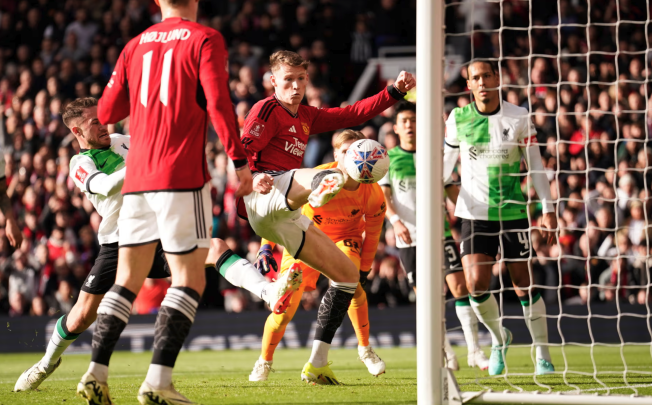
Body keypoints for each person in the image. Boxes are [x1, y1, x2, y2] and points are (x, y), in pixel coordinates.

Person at [13, 98, 300, 395]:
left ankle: (269, 291)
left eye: (102, 119)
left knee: (214, 247)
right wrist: (147, 162)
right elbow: (106, 186)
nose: (103, 126)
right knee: (82, 315)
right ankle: (46, 363)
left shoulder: (123, 141)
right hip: (120, 241)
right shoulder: (80, 163)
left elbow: (166, 149)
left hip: (161, 232)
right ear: (77, 131)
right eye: (93, 123)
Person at [78, 0, 262, 402]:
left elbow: (108, 110)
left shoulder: (135, 44)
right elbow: (217, 103)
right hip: (180, 175)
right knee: (190, 277)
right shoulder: (205, 38)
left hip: (137, 178)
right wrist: (238, 161)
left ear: (156, 2)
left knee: (126, 279)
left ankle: (95, 373)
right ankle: (158, 382)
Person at [238, 50, 415, 385]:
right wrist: (254, 175)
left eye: (300, 79)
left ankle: (322, 361)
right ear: (273, 81)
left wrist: (393, 92)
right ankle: (323, 187)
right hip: (262, 191)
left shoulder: (306, 116)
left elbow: (351, 113)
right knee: (320, 175)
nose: (295, 86)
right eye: (287, 80)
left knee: (348, 278)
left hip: (286, 211)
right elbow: (245, 146)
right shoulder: (266, 109)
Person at [443, 60, 558, 376]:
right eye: (475, 78)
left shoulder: (518, 116)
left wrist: (548, 209)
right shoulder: (458, 118)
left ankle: (542, 354)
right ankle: (499, 339)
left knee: (522, 283)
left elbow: (534, 166)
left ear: (498, 78)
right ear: (468, 85)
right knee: (476, 284)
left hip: (512, 211)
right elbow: (444, 167)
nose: (481, 82)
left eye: (487, 75)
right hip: (473, 212)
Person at [249, 130, 386, 384]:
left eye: (357, 151)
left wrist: (364, 271)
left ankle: (364, 350)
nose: (352, 158)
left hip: (346, 240)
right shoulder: (315, 177)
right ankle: (264, 361)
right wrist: (266, 246)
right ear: (336, 155)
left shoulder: (373, 192)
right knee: (284, 308)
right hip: (306, 238)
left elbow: (373, 234)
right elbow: (278, 210)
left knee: (353, 284)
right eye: (345, 152)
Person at [379, 101, 488, 372]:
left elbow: (452, 191)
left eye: (413, 120)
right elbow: (384, 196)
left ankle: (474, 350)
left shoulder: (435, 156)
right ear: (396, 127)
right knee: (428, 299)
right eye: (404, 121)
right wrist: (394, 222)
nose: (409, 125)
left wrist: (472, 207)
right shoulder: (389, 159)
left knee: (460, 288)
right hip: (409, 239)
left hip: (438, 233)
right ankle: (447, 353)